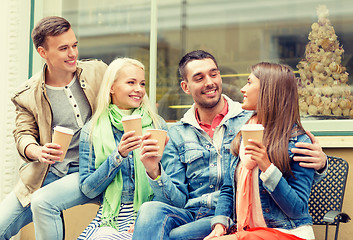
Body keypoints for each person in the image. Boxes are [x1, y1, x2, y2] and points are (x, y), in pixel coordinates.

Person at [132, 50, 327, 240]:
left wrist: (321, 164)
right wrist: (154, 171)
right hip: (194, 214)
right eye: (199, 78)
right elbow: (178, 199)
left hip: (236, 215)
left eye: (214, 74)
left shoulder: (246, 122)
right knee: (149, 210)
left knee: (175, 236)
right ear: (186, 87)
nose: (210, 82)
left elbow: (288, 162)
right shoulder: (178, 133)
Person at [0, 16, 107, 240]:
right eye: (63, 48)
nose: (73, 54)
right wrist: (36, 151)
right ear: (42, 52)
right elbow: (23, 133)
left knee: (44, 203)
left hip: (92, 169)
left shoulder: (98, 72)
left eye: (74, 45)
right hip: (47, 173)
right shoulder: (27, 94)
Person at [204, 62, 316, 240]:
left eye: (249, 82)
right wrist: (219, 224)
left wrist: (267, 166)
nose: (242, 89)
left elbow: (297, 209)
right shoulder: (241, 134)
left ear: (267, 90)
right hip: (248, 231)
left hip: (288, 233)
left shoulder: (299, 142)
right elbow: (228, 189)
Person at [77, 57, 168, 239]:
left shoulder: (158, 125)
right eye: (131, 82)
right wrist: (118, 155)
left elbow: (171, 184)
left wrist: (146, 218)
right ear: (111, 87)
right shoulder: (93, 129)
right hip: (110, 216)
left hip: (151, 211)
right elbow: (88, 189)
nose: (139, 90)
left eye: (142, 84)